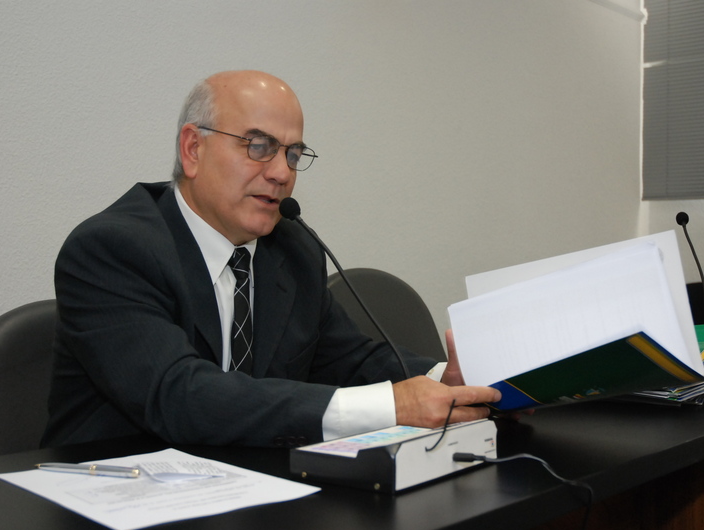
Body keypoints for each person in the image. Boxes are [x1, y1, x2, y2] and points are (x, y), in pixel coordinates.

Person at [42, 70, 500, 449]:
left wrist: (442, 379)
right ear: (193, 149)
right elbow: (180, 395)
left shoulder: (291, 248)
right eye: (258, 146)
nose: (282, 173)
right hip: (113, 491)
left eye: (293, 154)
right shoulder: (112, 249)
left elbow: (349, 359)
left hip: (246, 487)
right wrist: (390, 406)